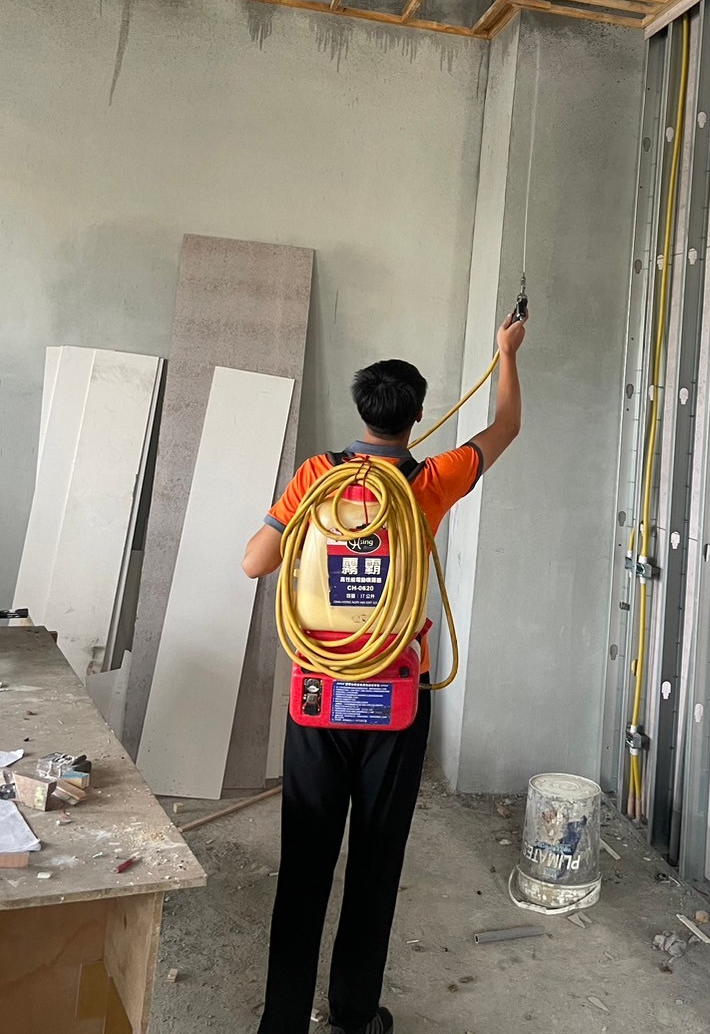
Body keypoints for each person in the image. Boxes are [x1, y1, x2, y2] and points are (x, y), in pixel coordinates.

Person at [242, 312, 527, 1034]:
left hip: (318, 693)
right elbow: (505, 427)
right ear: (416, 417)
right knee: (375, 859)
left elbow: (254, 562)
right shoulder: (428, 482)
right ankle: (355, 1012)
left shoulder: (315, 478)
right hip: (393, 698)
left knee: (305, 859)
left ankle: (282, 1021)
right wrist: (506, 353)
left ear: (361, 412)